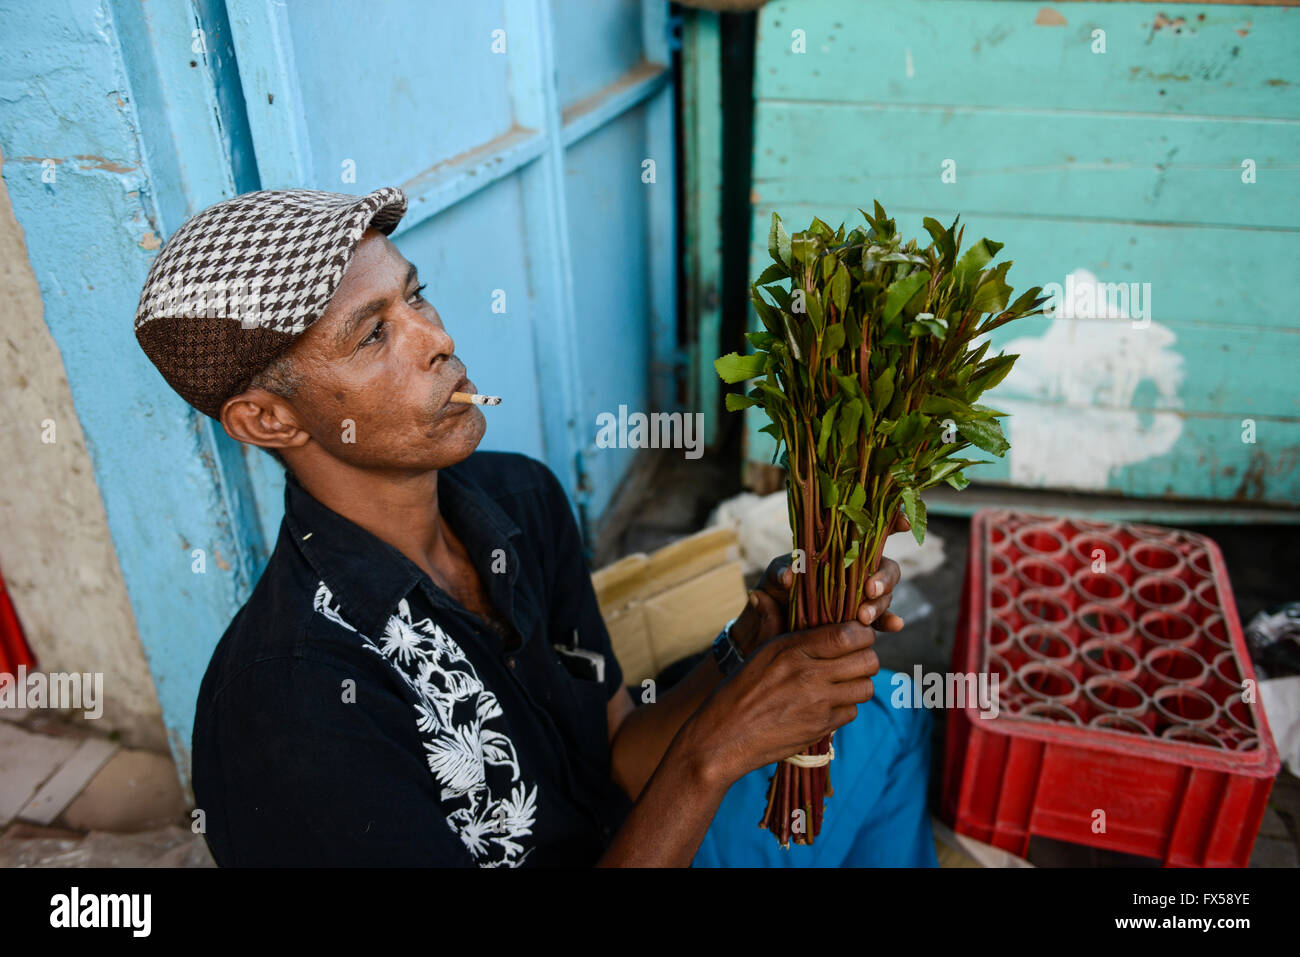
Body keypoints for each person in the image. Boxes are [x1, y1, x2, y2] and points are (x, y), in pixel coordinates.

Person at [133, 187, 938, 867]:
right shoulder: (289, 704)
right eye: (373, 333)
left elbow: (618, 751)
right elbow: (688, 764)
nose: (438, 338)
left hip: (645, 829)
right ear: (267, 418)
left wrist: (746, 647)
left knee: (884, 706)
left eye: (414, 296)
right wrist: (716, 748)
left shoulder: (517, 499)